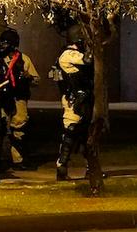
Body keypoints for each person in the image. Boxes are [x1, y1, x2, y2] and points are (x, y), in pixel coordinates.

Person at [0, 28, 39, 171]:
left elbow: (36, 80)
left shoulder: (23, 59)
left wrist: (27, 77)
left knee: (19, 127)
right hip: (2, 99)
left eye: (5, 43)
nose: (2, 46)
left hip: (19, 98)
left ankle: (18, 159)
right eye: (1, 42)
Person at [53, 35, 92, 181]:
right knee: (71, 130)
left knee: (86, 133)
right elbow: (88, 60)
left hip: (83, 98)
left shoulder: (71, 55)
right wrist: (91, 49)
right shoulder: (69, 55)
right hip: (74, 100)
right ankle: (61, 166)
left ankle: (91, 168)